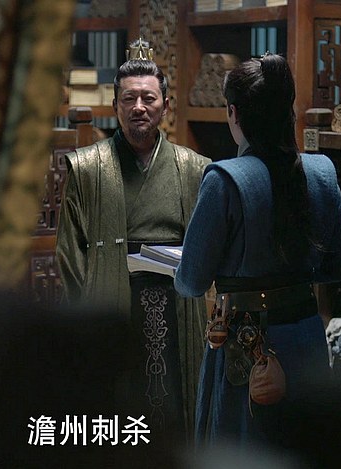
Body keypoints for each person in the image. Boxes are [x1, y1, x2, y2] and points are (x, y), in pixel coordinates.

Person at [174, 53, 341, 447]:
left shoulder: (223, 179)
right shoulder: (322, 172)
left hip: (246, 345)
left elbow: (190, 281)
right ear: (288, 111)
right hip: (306, 338)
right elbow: (338, 266)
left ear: (234, 112)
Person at [56, 38, 211, 441]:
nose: (139, 107)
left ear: (165, 105)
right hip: (113, 303)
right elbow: (70, 254)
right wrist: (85, 322)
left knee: (174, 410)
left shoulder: (194, 169)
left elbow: (208, 249)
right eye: (129, 99)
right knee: (119, 413)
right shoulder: (87, 168)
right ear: (115, 105)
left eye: (148, 98)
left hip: (177, 305)